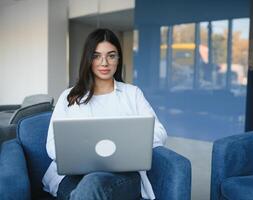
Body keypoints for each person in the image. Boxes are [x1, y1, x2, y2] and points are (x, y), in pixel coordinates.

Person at [42, 28, 167, 200]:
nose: (104, 62)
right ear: (88, 59)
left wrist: (132, 143)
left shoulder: (133, 94)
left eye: (111, 55)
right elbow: (52, 144)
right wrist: (78, 157)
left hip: (123, 175)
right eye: (96, 56)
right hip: (72, 175)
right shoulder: (69, 96)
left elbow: (159, 132)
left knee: (92, 185)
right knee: (87, 188)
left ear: (118, 59)